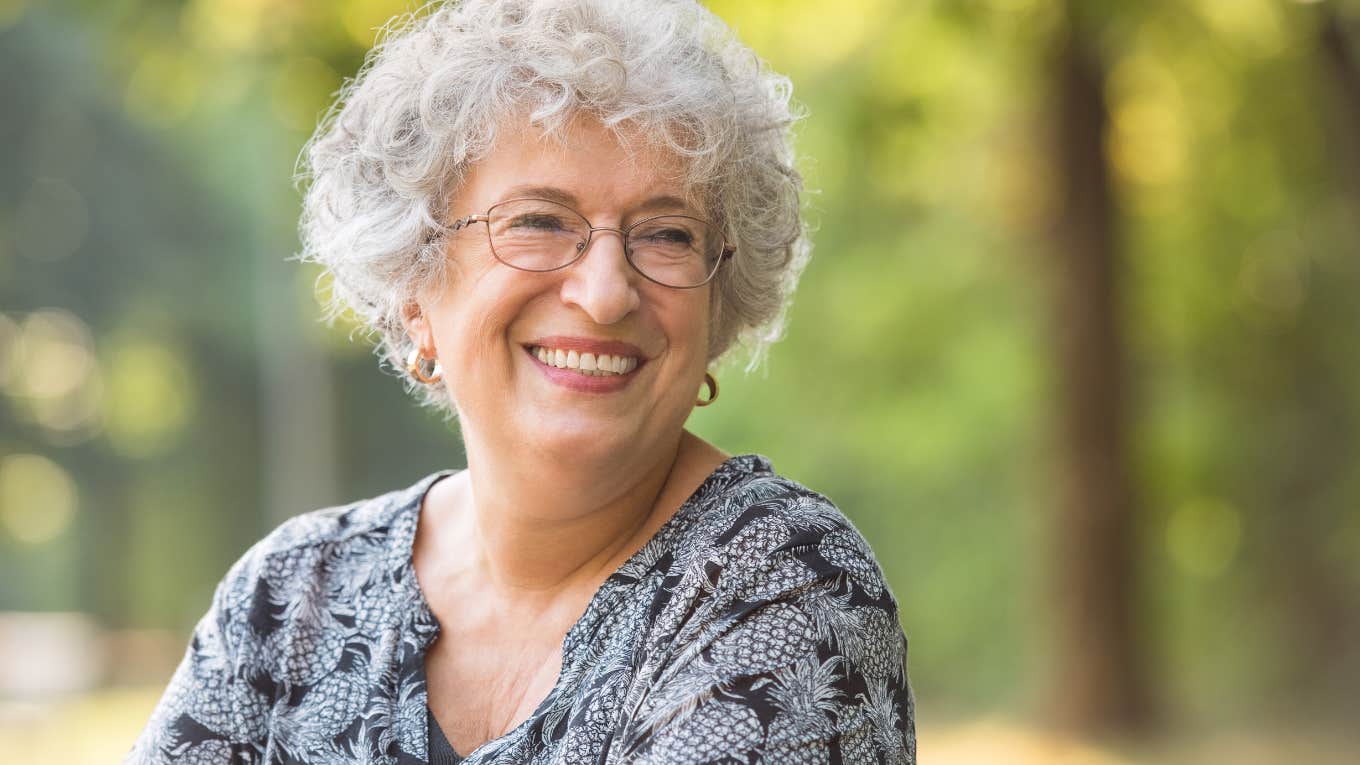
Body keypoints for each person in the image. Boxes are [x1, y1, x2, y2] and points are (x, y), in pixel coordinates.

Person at [129, 0, 915, 762]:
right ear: (417, 287)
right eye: (540, 221)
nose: (606, 293)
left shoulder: (784, 583)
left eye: (668, 234)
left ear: (716, 310)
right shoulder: (290, 596)